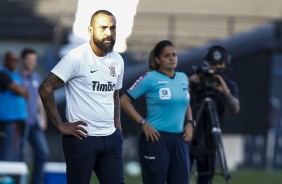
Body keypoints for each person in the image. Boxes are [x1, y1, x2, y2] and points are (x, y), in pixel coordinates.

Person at [38, 10, 124, 184]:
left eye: (113, 28)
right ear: (91, 30)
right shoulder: (76, 57)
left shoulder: (118, 60)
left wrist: (118, 130)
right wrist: (61, 125)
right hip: (82, 139)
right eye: (103, 28)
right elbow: (46, 88)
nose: (109, 32)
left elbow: (115, 96)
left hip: (110, 139)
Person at [120, 40, 194, 184]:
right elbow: (124, 101)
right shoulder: (149, 78)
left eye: (174, 55)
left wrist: (190, 122)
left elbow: (185, 100)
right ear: (157, 59)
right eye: (167, 56)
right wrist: (143, 123)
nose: (172, 58)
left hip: (179, 140)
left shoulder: (183, 78)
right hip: (156, 139)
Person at [188, 45, 240, 184]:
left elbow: (235, 108)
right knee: (182, 174)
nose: (216, 68)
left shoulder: (228, 84)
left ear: (226, 64)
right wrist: (189, 83)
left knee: (205, 178)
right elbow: (179, 98)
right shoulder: (197, 80)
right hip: (190, 135)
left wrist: (225, 91)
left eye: (219, 64)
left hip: (211, 138)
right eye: (213, 64)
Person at [20, 48, 49, 184]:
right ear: (23, 60)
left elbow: (39, 100)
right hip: (20, 123)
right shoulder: (16, 78)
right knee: (20, 154)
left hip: (34, 123)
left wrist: (43, 118)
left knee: (42, 151)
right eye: (29, 59)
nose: (32, 63)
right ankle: (18, 180)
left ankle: (36, 181)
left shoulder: (37, 78)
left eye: (34, 60)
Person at [0, 51, 28, 161]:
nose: (15, 63)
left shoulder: (15, 75)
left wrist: (21, 90)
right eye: (12, 60)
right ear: (5, 60)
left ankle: (11, 176)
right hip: (8, 120)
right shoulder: (2, 73)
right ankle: (6, 177)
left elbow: (27, 93)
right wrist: (20, 90)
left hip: (18, 119)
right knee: (8, 152)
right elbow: (21, 91)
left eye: (17, 60)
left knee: (16, 151)